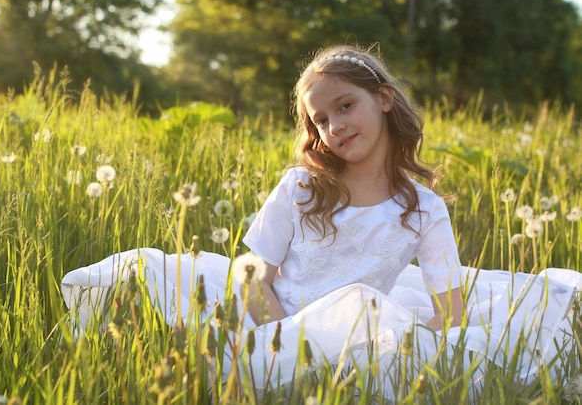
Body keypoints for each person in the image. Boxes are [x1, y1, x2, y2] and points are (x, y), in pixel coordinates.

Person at [61, 45, 580, 398]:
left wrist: (405, 345)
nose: (334, 126)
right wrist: (281, 336)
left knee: (385, 327)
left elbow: (450, 311)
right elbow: (252, 272)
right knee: (162, 294)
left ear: (383, 99)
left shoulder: (424, 209)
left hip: (356, 326)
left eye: (345, 105)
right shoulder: (302, 188)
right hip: (270, 314)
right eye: (320, 119)